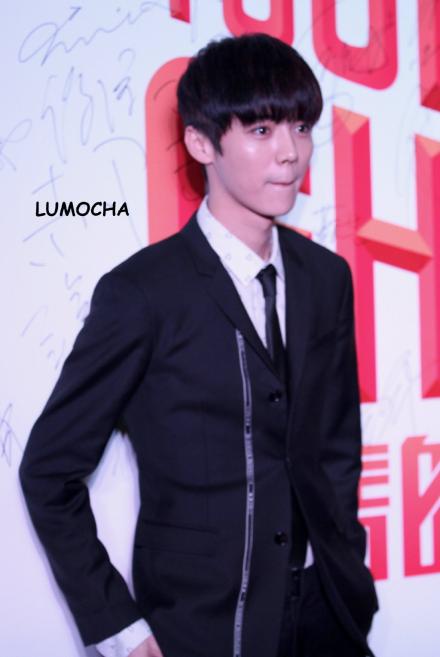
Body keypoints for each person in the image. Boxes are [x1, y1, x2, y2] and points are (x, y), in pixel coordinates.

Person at [19, 33, 379, 657]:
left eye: (300, 126)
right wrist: (120, 629)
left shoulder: (327, 277)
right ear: (201, 143)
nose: (290, 152)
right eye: (262, 130)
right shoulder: (142, 293)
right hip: (206, 627)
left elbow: (337, 443)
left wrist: (349, 571)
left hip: (329, 614)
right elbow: (49, 471)